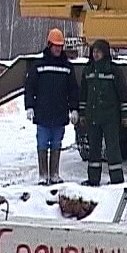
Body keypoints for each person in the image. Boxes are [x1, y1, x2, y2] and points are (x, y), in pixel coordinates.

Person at [24, 28, 80, 185]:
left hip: (59, 114)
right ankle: (43, 175)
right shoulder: (38, 66)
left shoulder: (67, 68)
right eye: (55, 45)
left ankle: (54, 174)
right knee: (42, 143)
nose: (58, 49)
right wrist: (29, 106)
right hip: (42, 114)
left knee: (56, 143)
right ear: (49, 45)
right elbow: (30, 87)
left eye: (60, 46)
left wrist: (74, 108)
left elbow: (73, 90)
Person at [78, 39, 127, 186]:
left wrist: (126, 115)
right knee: (94, 149)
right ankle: (93, 179)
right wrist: (82, 114)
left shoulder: (113, 70)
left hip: (110, 117)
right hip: (93, 117)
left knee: (112, 148)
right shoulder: (88, 70)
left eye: (98, 52)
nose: (95, 54)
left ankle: (117, 179)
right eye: (94, 51)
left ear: (105, 53)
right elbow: (83, 94)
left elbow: (123, 93)